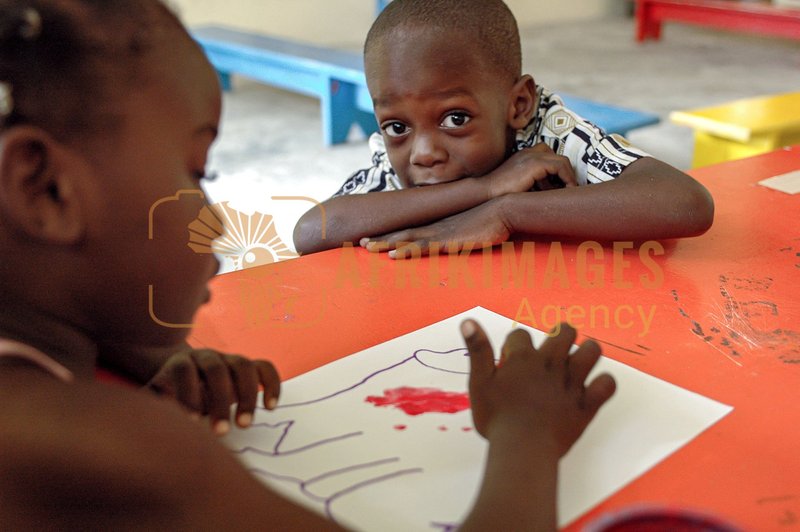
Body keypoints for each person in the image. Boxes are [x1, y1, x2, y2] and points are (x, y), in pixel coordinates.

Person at [0, 0, 615, 529]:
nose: (213, 220)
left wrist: (156, 356)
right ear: (43, 189)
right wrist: (527, 432)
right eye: (195, 172)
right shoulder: (112, 452)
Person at [293, 0, 715, 258]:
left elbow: (686, 204)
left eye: (454, 119)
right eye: (397, 125)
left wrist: (507, 213)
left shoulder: (548, 137)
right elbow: (312, 230)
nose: (422, 152)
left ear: (518, 104)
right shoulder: (397, 157)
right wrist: (486, 189)